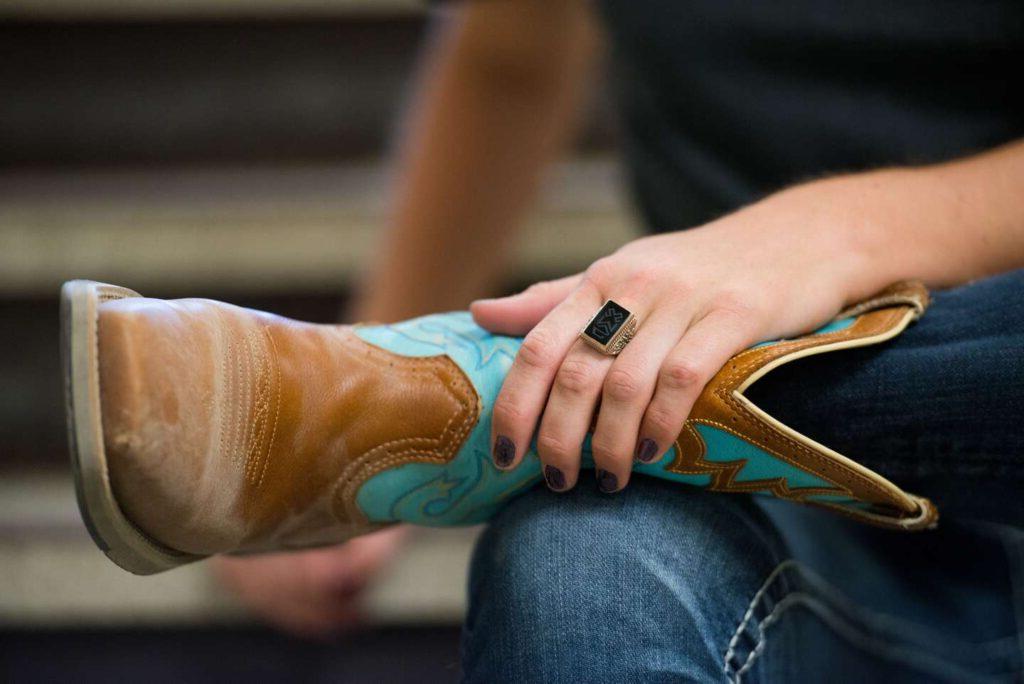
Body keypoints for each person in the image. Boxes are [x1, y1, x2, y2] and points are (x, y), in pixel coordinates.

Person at [216, 1, 1024, 680]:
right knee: (574, 575)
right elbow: (510, 60)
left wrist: (824, 237)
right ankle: (430, 408)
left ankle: (474, 406)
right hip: (738, 487)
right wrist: (349, 433)